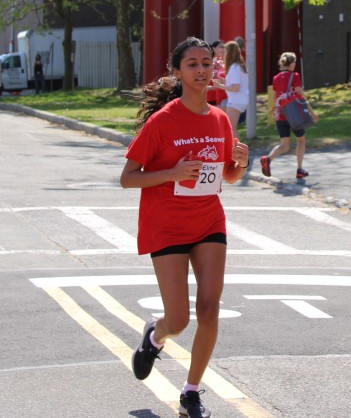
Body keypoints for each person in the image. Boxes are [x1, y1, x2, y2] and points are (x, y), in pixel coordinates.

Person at [120, 36, 249, 418]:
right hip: (167, 226)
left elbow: (228, 175)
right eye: (192, 64)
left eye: (207, 63)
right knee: (178, 319)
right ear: (178, 72)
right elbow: (128, 178)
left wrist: (241, 163)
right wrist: (172, 173)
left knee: (209, 309)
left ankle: (191, 392)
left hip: (209, 221)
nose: (201, 70)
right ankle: (155, 336)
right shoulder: (162, 121)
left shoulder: (220, 119)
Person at [260, 52, 318, 180]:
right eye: (295, 63)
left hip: (281, 115)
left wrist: (274, 112)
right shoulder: (295, 76)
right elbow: (300, 96)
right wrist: (312, 112)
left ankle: (267, 159)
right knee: (301, 140)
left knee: (284, 145)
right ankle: (299, 169)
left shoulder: (276, 78)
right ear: (292, 64)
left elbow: (275, 97)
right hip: (294, 115)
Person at [213, 41, 248, 132]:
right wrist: (225, 82)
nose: (223, 53)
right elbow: (236, 84)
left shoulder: (234, 67)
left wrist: (220, 86)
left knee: (231, 128)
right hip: (239, 99)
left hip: (236, 100)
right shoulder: (239, 65)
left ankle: (235, 142)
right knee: (231, 128)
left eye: (225, 51)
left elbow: (236, 87)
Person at [206, 40, 227, 107]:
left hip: (222, 95)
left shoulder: (225, 62)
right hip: (210, 95)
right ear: (214, 48)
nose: (222, 49)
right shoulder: (210, 61)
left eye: (223, 47)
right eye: (220, 47)